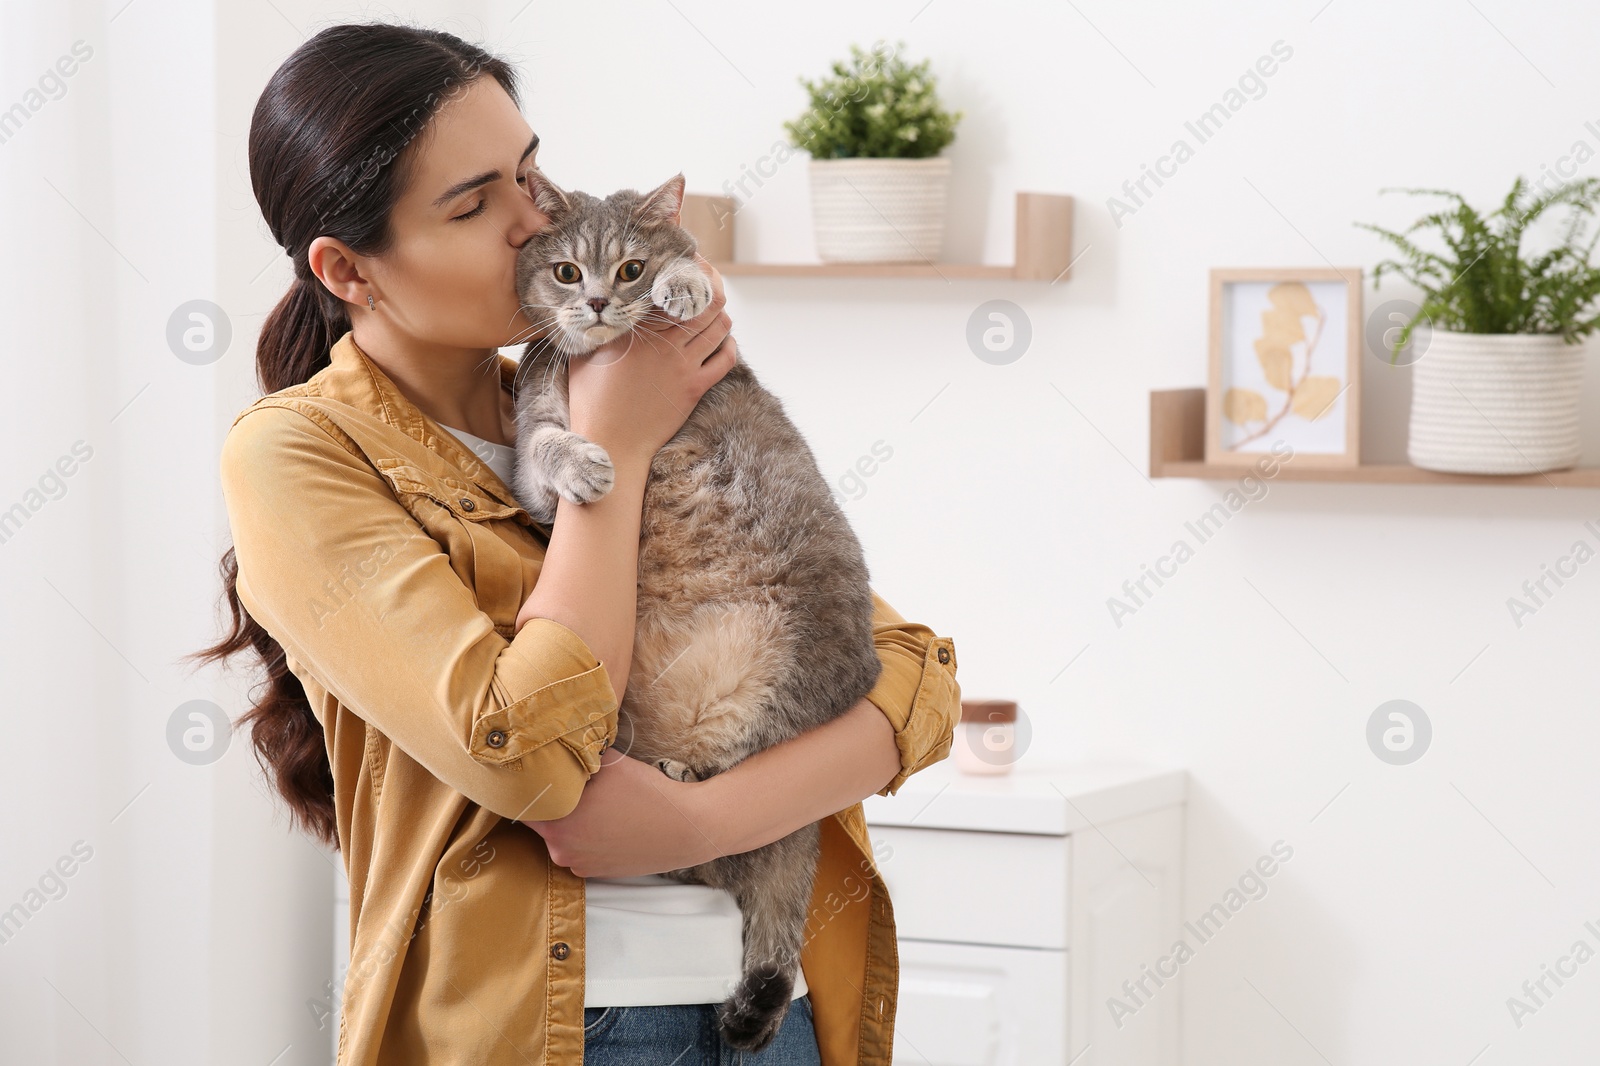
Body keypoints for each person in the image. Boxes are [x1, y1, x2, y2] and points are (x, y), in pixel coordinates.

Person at [189, 22, 961, 1066]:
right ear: (349, 269)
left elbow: (916, 682)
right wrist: (616, 450)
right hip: (568, 1032)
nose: (534, 220)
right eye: (473, 204)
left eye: (530, 171)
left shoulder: (602, 381)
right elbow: (534, 754)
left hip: (775, 1009)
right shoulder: (299, 456)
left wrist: (698, 825)